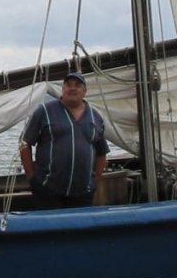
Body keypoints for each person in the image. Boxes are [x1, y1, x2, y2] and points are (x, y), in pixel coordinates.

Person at [19, 72, 109, 209]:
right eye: (68, 85)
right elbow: (25, 143)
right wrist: (32, 177)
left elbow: (102, 152)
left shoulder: (95, 117)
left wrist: (95, 181)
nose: (72, 88)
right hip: (47, 191)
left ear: (85, 91)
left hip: (83, 193)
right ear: (63, 89)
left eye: (77, 85)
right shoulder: (44, 111)